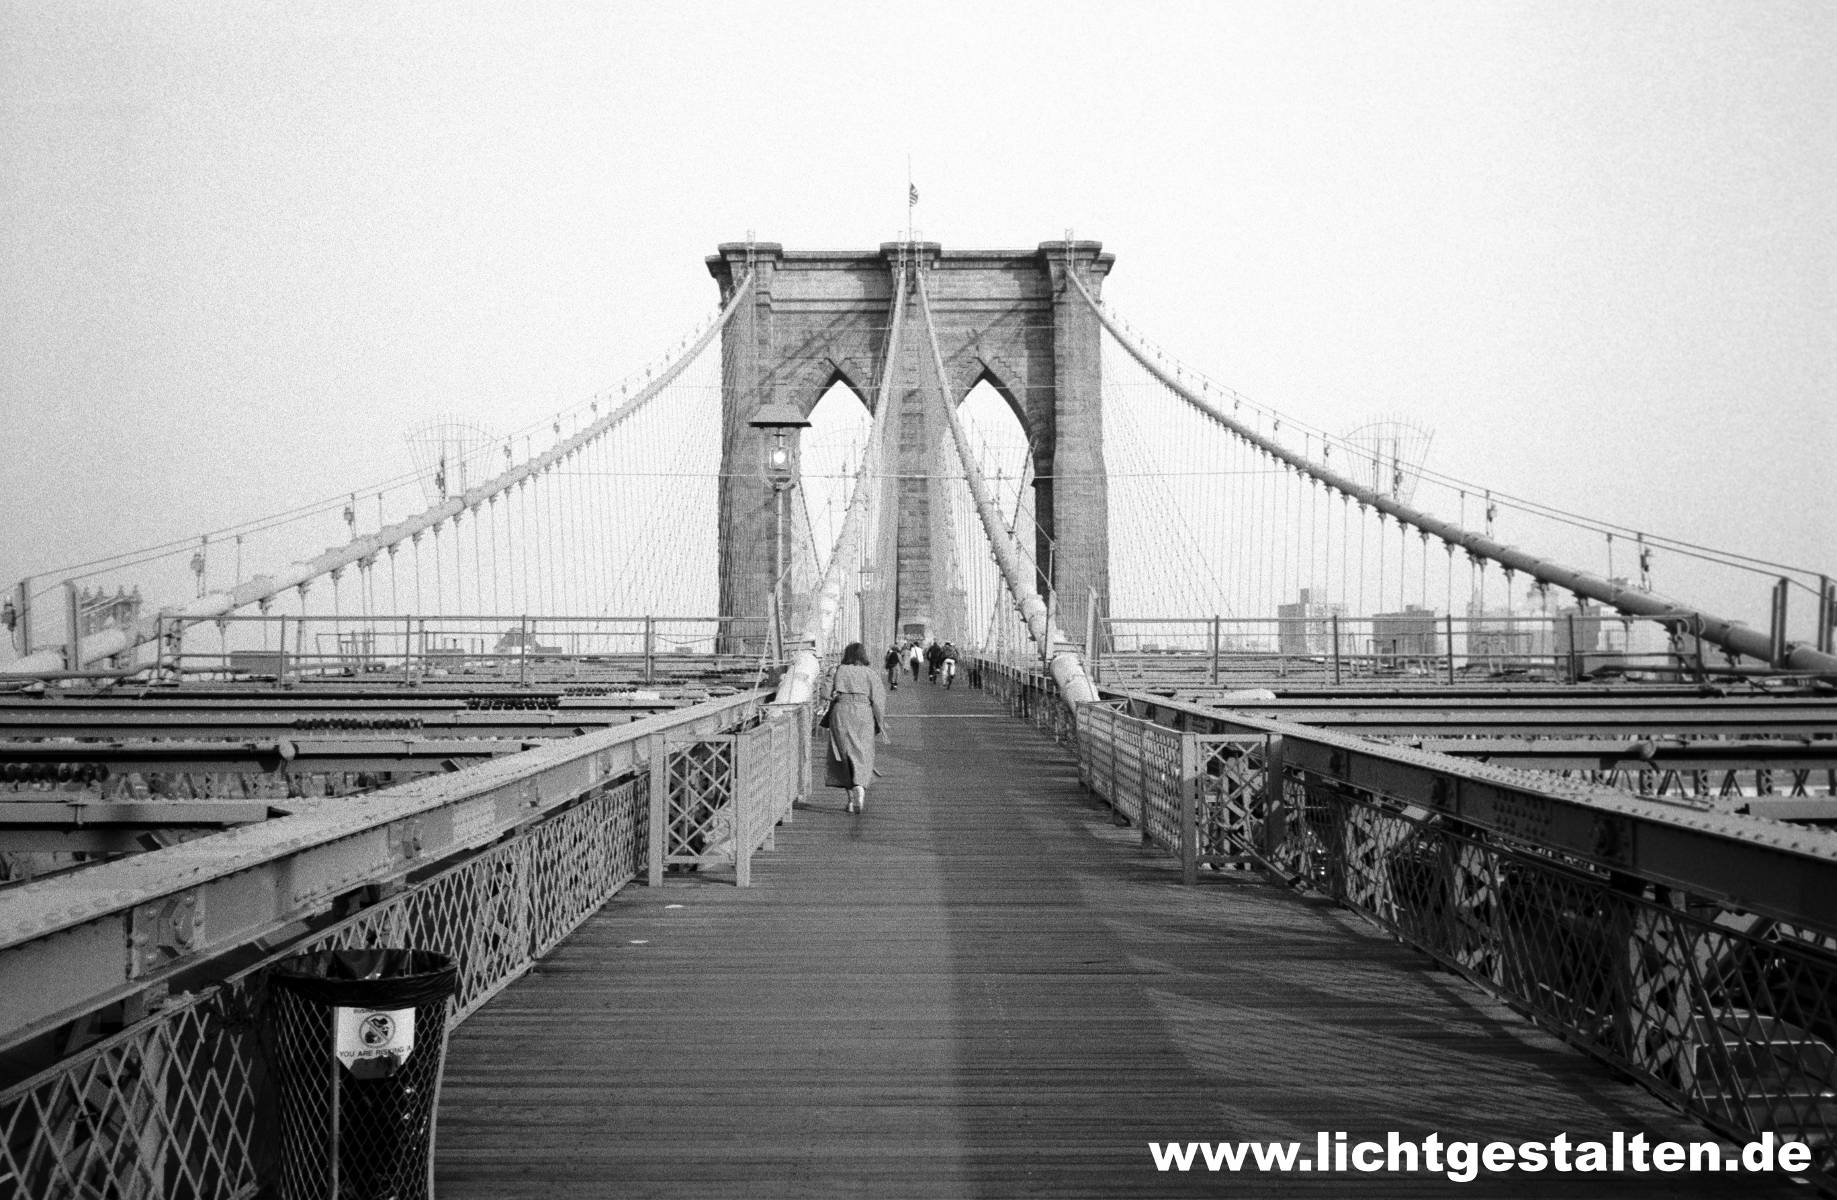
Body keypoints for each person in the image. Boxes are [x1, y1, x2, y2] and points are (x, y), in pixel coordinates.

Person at [825, 642, 887, 814]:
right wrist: (880, 723)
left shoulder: (838, 670)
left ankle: (851, 800)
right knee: (863, 753)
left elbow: (824, 693)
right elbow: (879, 700)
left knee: (842, 754)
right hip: (863, 713)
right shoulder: (870, 674)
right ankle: (860, 786)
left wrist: (836, 692)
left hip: (841, 712)